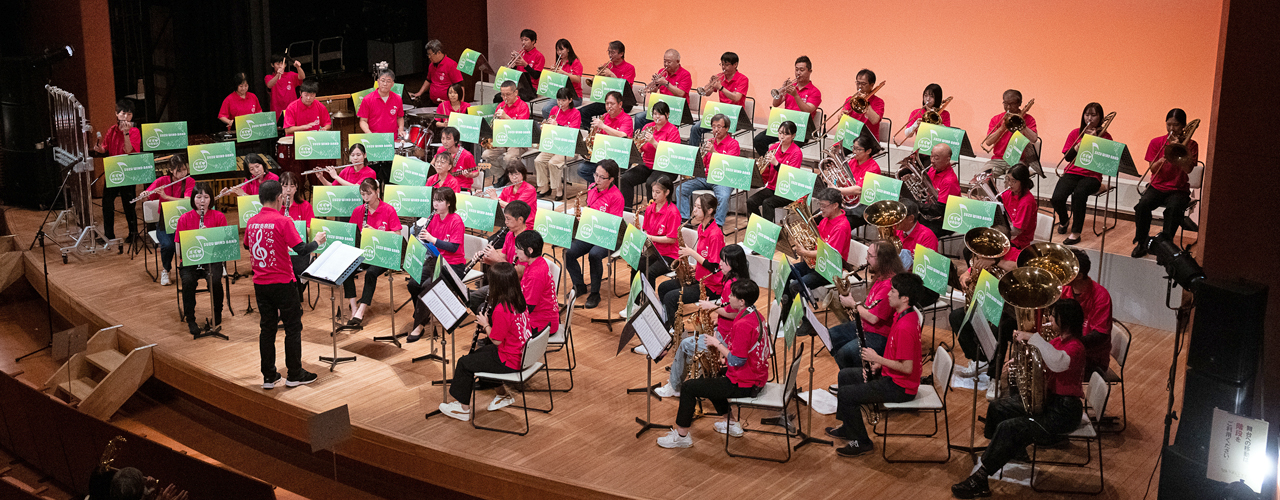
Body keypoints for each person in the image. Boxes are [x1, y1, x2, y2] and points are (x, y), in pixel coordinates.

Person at [951, 299, 1088, 498]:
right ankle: (1004, 452)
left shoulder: (1076, 347)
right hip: (1050, 403)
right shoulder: (1060, 340)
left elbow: (1058, 362)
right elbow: (1044, 356)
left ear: (1064, 320)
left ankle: (980, 478)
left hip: (1063, 413)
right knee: (997, 407)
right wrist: (1018, 359)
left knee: (1010, 427)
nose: (1049, 318)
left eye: (1053, 315)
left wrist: (1033, 338)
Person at [657, 280, 769, 448]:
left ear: (741, 302)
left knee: (689, 387)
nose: (729, 297)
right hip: (756, 375)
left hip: (746, 383)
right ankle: (731, 424)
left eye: (732, 295)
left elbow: (737, 360)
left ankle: (681, 436)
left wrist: (717, 344)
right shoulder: (756, 314)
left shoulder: (742, 324)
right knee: (712, 376)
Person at [828, 273, 927, 457]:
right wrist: (879, 366)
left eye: (893, 291)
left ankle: (862, 442)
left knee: (847, 394)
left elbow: (907, 368)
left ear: (904, 298)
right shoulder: (902, 315)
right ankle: (849, 428)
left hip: (900, 387)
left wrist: (878, 359)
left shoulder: (906, 326)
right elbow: (897, 354)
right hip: (891, 376)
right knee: (845, 376)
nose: (888, 294)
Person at [246, 180, 324, 389]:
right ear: (280, 197)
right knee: (292, 327)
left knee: (267, 328)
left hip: (260, 283)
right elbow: (301, 249)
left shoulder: (252, 222)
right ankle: (295, 374)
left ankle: (269, 376)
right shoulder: (283, 221)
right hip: (282, 281)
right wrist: (317, 241)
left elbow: (247, 244)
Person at [653, 236, 748, 398]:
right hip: (724, 332)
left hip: (726, 338)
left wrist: (713, 307)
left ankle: (674, 386)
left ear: (733, 265)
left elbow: (734, 313)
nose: (720, 264)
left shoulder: (732, 286)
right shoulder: (735, 281)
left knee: (684, 344)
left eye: (724, 262)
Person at [437, 262, 534, 421]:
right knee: (480, 354)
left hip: (510, 359)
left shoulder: (502, 308)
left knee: (465, 363)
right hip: (520, 351)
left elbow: (496, 340)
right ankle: (502, 395)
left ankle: (463, 409)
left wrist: (485, 324)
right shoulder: (518, 298)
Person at [828, 241, 904, 376]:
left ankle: (858, 379)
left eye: (870, 256)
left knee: (845, 353)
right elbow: (870, 306)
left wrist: (852, 304)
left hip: (879, 335)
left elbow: (874, 318)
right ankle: (849, 378)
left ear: (882, 259)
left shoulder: (889, 285)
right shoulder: (880, 276)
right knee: (831, 337)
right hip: (865, 325)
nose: (866, 259)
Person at [1132, 108, 1200, 258]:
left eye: (1175, 125)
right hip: (1157, 186)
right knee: (1142, 206)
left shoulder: (1192, 145)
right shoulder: (1156, 142)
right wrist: (1164, 156)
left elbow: (1188, 169)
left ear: (1183, 126)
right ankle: (1141, 242)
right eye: (1168, 124)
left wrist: (1179, 151)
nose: (1171, 129)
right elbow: (1153, 168)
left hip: (1179, 189)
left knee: (1173, 209)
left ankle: (1166, 246)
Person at [405, 187, 469, 342]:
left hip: (453, 265)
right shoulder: (433, 217)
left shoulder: (456, 221)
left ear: (448, 203)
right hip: (435, 260)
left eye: (439, 201)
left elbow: (453, 247)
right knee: (413, 284)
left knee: (427, 287)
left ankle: (419, 323)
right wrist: (423, 238)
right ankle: (422, 315)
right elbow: (429, 241)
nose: (435, 204)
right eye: (434, 200)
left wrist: (432, 239)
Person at [777, 188, 852, 320]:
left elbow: (829, 254)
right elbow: (815, 238)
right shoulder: (826, 219)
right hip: (816, 264)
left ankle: (806, 321)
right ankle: (787, 314)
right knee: (786, 271)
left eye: (824, 206)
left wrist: (805, 252)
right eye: (820, 205)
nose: (820, 209)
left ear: (835, 205)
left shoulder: (841, 227)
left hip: (829, 269)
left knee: (796, 285)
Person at [342, 178, 402, 327]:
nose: (366, 198)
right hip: (365, 252)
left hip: (384, 253)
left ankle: (361, 310)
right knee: (345, 270)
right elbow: (351, 234)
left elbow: (397, 236)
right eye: (363, 194)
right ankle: (353, 307)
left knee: (371, 273)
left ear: (377, 192)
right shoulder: (359, 211)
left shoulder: (388, 209)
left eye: (369, 194)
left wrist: (374, 233)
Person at [565, 160, 625, 309]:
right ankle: (579, 285)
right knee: (568, 252)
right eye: (595, 175)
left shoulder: (617, 197)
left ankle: (595, 293)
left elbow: (613, 224)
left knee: (595, 255)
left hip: (610, 234)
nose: (596, 180)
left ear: (611, 179)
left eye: (601, 177)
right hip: (591, 230)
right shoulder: (592, 187)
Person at [1051, 102, 1112, 245]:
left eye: (1093, 115)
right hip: (1073, 171)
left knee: (1079, 194)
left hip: (1092, 176)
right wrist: (1082, 142)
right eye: (1087, 114)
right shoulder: (1075, 133)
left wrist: (1095, 140)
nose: (1089, 118)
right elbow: (1067, 157)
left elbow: (1104, 164)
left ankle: (1076, 232)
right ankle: (1065, 220)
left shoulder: (1106, 137)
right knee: (1057, 198)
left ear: (1100, 118)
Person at [174, 182, 226, 336]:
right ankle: (190, 318)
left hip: (212, 259)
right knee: (188, 282)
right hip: (191, 260)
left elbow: (223, 245)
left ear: (211, 199)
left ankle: (217, 313)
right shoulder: (184, 219)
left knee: (215, 280)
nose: (202, 201)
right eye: (198, 197)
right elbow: (178, 249)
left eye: (206, 197)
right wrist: (195, 238)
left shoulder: (219, 217)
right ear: (193, 199)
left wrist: (208, 236)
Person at [466, 200, 532, 312]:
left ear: (520, 220)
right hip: (504, 282)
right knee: (472, 299)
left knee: (484, 308)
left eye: (508, 219)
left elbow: (518, 273)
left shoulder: (528, 240)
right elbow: (503, 256)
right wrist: (486, 257)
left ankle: (492, 325)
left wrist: (496, 260)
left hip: (517, 288)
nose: (505, 222)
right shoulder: (510, 234)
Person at [94, 99, 142, 245]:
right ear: (117, 114)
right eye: (123, 113)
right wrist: (99, 149)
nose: (126, 117)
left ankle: (133, 234)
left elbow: (128, 150)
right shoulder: (112, 130)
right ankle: (109, 235)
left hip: (128, 170)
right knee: (107, 202)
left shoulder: (134, 131)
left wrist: (126, 134)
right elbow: (105, 148)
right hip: (113, 170)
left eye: (129, 114)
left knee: (129, 203)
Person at [677, 113, 739, 226]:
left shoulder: (733, 144)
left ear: (727, 129)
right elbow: (703, 163)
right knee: (681, 189)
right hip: (706, 177)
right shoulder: (709, 142)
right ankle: (685, 220)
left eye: (719, 127)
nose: (716, 130)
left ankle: (717, 225)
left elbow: (729, 165)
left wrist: (713, 151)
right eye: (714, 127)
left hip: (723, 179)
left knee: (724, 197)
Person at [141, 159, 194, 286]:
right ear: (171, 170)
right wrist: (144, 195)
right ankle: (166, 270)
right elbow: (146, 198)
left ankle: (188, 270)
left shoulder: (189, 181)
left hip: (184, 221)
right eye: (179, 170)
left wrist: (165, 197)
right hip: (165, 221)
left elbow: (187, 201)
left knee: (188, 242)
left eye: (185, 170)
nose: (183, 174)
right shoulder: (162, 181)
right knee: (168, 245)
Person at [619, 100, 681, 209]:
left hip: (665, 167)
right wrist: (635, 148)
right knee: (625, 179)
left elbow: (671, 154)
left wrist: (654, 142)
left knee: (651, 183)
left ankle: (651, 212)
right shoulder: (648, 127)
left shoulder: (673, 130)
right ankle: (626, 210)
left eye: (660, 114)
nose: (657, 117)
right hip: (647, 164)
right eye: (655, 114)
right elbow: (640, 148)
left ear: (667, 115)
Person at [1061, 249, 1113, 376]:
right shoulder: (1063, 289)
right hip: (1066, 351)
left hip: (1092, 359)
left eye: (1065, 270)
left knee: (1047, 371)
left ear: (1078, 275)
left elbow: (1100, 336)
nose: (1059, 273)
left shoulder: (1101, 296)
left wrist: (1069, 345)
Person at [754, 56, 820, 156]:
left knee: (787, 149)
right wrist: (781, 92)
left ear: (810, 71)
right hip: (785, 127)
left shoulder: (815, 92)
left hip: (801, 131)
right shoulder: (791, 88)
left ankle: (781, 166)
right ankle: (770, 165)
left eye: (802, 70)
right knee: (759, 140)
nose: (798, 73)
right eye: (796, 69)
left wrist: (796, 95)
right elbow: (775, 104)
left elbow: (808, 110)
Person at [686, 52, 748, 149]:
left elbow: (736, 98)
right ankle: (693, 154)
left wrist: (721, 87)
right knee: (695, 128)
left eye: (727, 65)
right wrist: (710, 84)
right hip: (721, 114)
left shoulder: (743, 79)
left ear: (735, 65)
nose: (723, 67)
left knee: (723, 131)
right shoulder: (720, 77)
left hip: (736, 116)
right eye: (722, 64)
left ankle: (720, 155)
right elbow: (707, 93)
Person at [745, 120, 804, 221]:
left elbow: (791, 175)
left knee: (767, 203)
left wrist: (776, 163)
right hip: (772, 187)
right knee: (750, 201)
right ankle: (759, 226)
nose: (782, 136)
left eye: (786, 134)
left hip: (787, 190)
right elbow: (767, 172)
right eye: (780, 133)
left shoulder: (796, 152)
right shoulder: (773, 148)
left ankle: (769, 233)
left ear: (793, 136)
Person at [358, 68, 406, 182]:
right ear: (378, 81)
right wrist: (369, 133)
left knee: (390, 175)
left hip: (392, 141)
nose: (385, 83)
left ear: (393, 84)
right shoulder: (367, 99)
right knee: (374, 176)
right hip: (374, 142)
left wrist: (401, 129)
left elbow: (400, 117)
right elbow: (363, 121)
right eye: (382, 80)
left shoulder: (397, 99)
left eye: (388, 81)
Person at [981, 89, 1040, 182]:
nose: (1008, 107)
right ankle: (990, 197)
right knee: (982, 178)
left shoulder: (1029, 119)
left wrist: (1023, 126)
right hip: (997, 160)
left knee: (1011, 182)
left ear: (1019, 103)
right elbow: (988, 142)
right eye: (1005, 103)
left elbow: (1034, 139)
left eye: (1012, 104)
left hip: (1018, 160)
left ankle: (1008, 197)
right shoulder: (997, 119)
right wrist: (1001, 128)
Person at [575, 91, 634, 183]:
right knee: (582, 169)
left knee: (606, 172)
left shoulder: (627, 119)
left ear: (620, 104)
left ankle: (606, 187)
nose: (609, 106)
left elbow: (623, 136)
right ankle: (603, 186)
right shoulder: (604, 117)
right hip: (604, 155)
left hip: (619, 156)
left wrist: (603, 126)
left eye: (612, 103)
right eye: (607, 103)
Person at [534, 87, 582, 200]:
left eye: (563, 100)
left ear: (570, 100)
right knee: (539, 160)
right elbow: (550, 130)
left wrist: (558, 126)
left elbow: (572, 134)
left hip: (569, 147)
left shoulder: (576, 113)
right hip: (554, 144)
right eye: (558, 100)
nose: (560, 103)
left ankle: (558, 189)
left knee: (553, 163)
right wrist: (545, 127)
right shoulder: (554, 110)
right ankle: (544, 187)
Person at [633, 176, 681, 287]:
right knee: (636, 265)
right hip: (654, 250)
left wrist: (650, 237)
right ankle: (635, 300)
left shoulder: (673, 213)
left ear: (667, 192)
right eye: (653, 191)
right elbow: (645, 230)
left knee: (651, 272)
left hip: (669, 255)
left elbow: (672, 239)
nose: (654, 195)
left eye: (657, 192)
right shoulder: (650, 209)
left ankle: (650, 303)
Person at [482, 80, 531, 187]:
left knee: (509, 158)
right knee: (486, 155)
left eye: (508, 94)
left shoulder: (523, 107)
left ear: (516, 93)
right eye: (503, 95)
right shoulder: (500, 105)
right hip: (503, 139)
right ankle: (502, 176)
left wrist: (506, 117)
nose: (505, 98)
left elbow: (521, 129)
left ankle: (517, 180)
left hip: (518, 141)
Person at [578, 40, 637, 129]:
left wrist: (611, 75)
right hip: (607, 100)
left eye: (613, 52)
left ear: (621, 54)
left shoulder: (629, 68)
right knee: (583, 111)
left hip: (624, 102)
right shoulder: (608, 65)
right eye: (609, 52)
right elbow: (601, 86)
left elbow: (625, 87)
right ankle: (592, 133)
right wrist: (598, 79)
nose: (610, 55)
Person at [513, 230, 560, 336]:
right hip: (541, 318)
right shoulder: (536, 262)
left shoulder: (536, 274)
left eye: (518, 249)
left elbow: (527, 307)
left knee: (501, 319)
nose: (516, 252)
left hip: (541, 325)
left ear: (529, 250)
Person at [634, 49, 692, 131]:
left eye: (669, 62)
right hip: (661, 108)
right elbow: (653, 91)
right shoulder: (662, 72)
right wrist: (655, 84)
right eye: (664, 61)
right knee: (639, 117)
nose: (666, 65)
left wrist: (666, 83)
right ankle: (639, 142)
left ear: (677, 61)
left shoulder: (685, 74)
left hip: (677, 110)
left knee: (665, 125)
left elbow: (681, 93)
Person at [839, 133, 884, 230]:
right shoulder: (852, 162)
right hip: (847, 203)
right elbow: (843, 181)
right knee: (821, 216)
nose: (854, 152)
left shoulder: (874, 168)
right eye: (853, 148)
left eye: (858, 149)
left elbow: (859, 190)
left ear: (868, 151)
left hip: (862, 208)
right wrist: (836, 180)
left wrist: (838, 190)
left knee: (841, 225)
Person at [280, 172, 314, 295]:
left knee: (298, 268)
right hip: (281, 248)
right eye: (284, 186)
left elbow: (310, 231)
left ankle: (296, 295)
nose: (288, 190)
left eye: (292, 186)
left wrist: (295, 226)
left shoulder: (305, 206)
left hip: (299, 248)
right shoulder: (275, 207)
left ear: (296, 188)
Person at [833, 68, 885, 145]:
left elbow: (874, 121)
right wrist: (841, 116)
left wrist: (866, 103)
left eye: (863, 84)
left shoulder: (879, 102)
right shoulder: (850, 99)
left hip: (868, 142)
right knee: (833, 152)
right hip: (850, 138)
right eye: (858, 83)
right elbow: (841, 121)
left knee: (856, 153)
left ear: (872, 85)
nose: (860, 87)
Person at [918, 143, 961, 237]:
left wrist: (919, 206)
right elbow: (925, 190)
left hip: (943, 221)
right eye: (931, 156)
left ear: (947, 160)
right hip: (930, 212)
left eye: (936, 158)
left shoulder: (949, 181)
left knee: (921, 233)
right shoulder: (933, 170)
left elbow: (940, 209)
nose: (932, 161)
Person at [539, 39, 585, 118]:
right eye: (557, 50)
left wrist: (564, 73)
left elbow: (577, 79)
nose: (559, 52)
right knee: (546, 109)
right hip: (560, 95)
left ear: (568, 49)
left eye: (562, 49)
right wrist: (552, 73)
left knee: (558, 111)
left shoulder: (576, 62)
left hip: (574, 96)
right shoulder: (558, 62)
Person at [411, 39, 463, 104]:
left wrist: (460, 104)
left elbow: (460, 85)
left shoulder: (451, 65)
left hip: (447, 104)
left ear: (438, 53)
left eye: (430, 54)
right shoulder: (431, 66)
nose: (429, 57)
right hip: (433, 102)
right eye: (428, 55)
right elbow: (428, 80)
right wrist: (419, 93)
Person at [1000, 164, 1038, 250]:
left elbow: (1017, 231)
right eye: (1008, 179)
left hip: (1018, 242)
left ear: (1023, 182)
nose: (1010, 184)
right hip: (1007, 234)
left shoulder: (1027, 202)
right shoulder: (1008, 193)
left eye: (1014, 181)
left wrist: (998, 231)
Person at [489, 163, 538, 229]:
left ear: (523, 175)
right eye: (511, 174)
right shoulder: (507, 188)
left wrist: (496, 200)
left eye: (517, 174)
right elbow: (498, 205)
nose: (514, 177)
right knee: (491, 239)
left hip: (525, 225)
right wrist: (482, 197)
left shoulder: (530, 189)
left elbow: (516, 208)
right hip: (510, 224)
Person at [265, 53, 305, 120]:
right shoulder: (269, 77)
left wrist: (298, 67)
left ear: (285, 65)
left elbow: (302, 77)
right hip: (277, 111)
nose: (280, 66)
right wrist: (278, 75)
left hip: (292, 110)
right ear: (272, 65)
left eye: (282, 64)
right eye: (277, 64)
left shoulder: (291, 75)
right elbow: (269, 85)